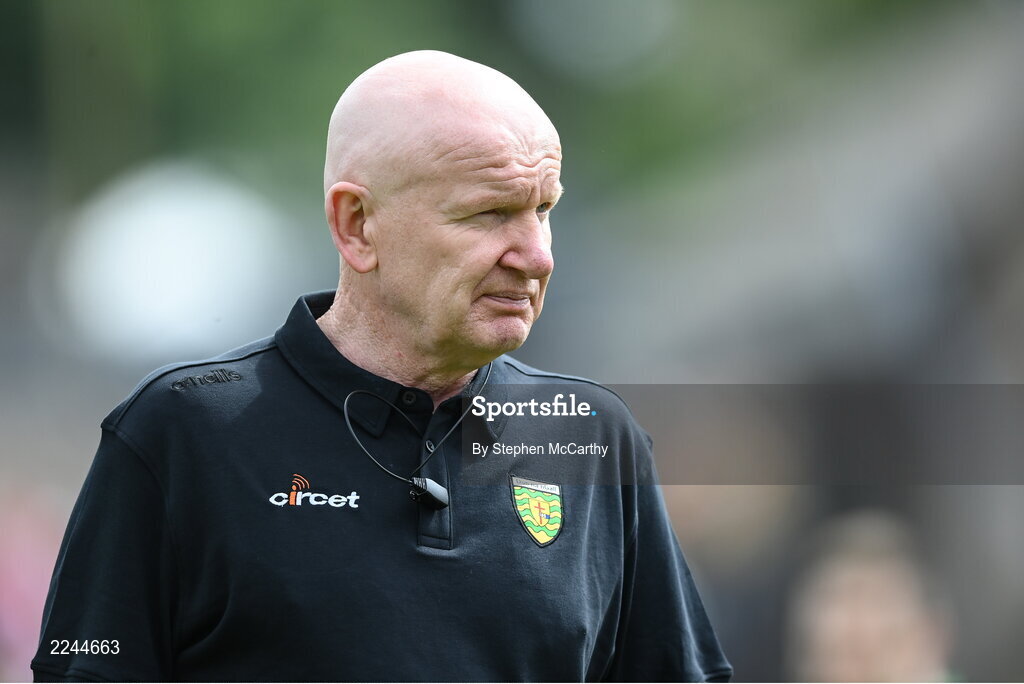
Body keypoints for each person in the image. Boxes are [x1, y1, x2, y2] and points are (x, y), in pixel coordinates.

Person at [32, 51, 731, 682]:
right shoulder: (182, 431)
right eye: (489, 214)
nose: (536, 254)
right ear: (357, 225)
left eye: (542, 210)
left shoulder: (589, 437)